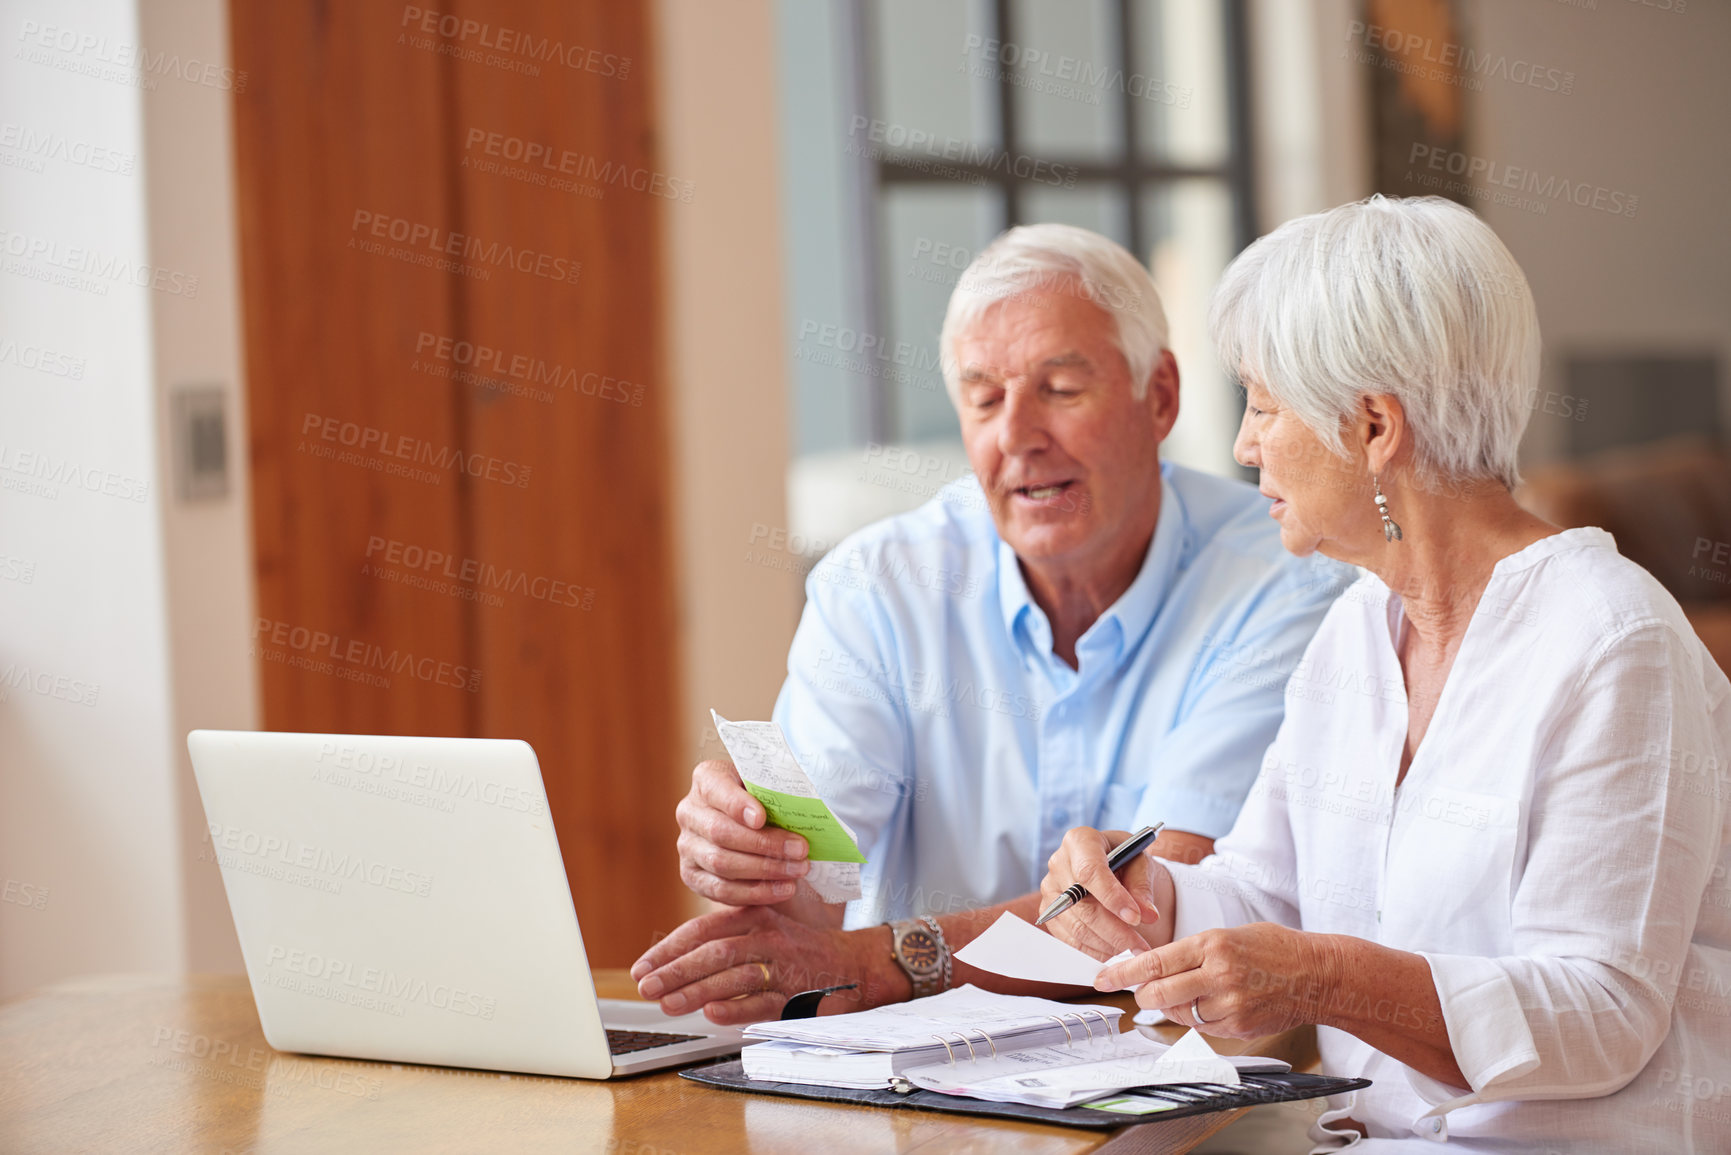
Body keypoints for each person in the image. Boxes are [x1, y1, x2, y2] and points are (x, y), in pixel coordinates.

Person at [1041, 195, 1731, 1151]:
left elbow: (1602, 1011)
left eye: (1265, 405)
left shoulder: (1614, 642)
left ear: (1373, 427)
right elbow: (1263, 894)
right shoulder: (1357, 629)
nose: (1244, 444)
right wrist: (1148, 899)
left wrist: (1322, 976)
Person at [631, 224, 1351, 1021]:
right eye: (983, 399)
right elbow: (808, 914)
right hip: (905, 1098)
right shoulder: (878, 587)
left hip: (1182, 1097)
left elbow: (1151, 915)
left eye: (1061, 390)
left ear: (1160, 397)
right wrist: (751, 856)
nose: (1017, 438)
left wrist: (879, 962)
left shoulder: (1285, 579)